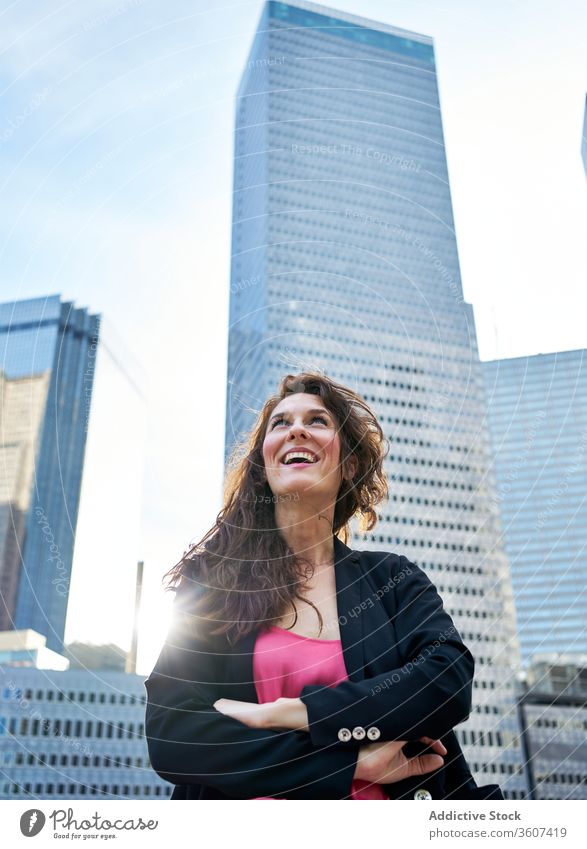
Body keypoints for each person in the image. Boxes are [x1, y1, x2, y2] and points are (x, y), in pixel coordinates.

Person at [144, 372, 503, 800]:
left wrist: (300, 714)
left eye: (317, 421)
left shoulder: (392, 579)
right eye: (281, 423)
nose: (296, 428)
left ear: (349, 464)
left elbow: (447, 681)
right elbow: (174, 735)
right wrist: (348, 763)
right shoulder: (212, 583)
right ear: (263, 467)